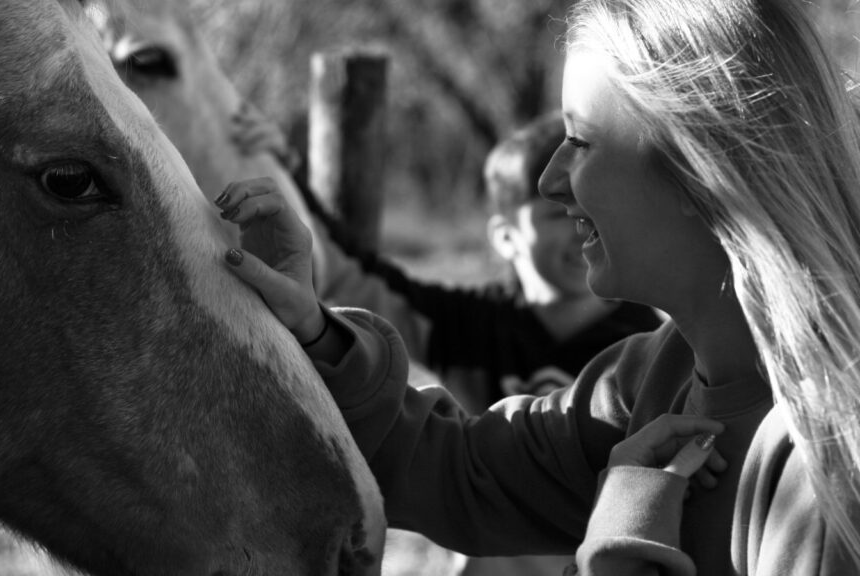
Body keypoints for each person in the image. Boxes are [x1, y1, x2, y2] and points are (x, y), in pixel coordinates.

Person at [215, 0, 860, 573]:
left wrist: (622, 532)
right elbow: (459, 470)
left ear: (697, 170)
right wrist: (312, 334)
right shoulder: (645, 384)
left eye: (580, 142)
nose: (552, 181)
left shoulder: (829, 463)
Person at [232, 107, 662, 413]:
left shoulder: (652, 343)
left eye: (592, 207)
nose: (581, 225)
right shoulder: (464, 325)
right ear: (505, 236)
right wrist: (288, 173)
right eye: (557, 212)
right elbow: (353, 273)